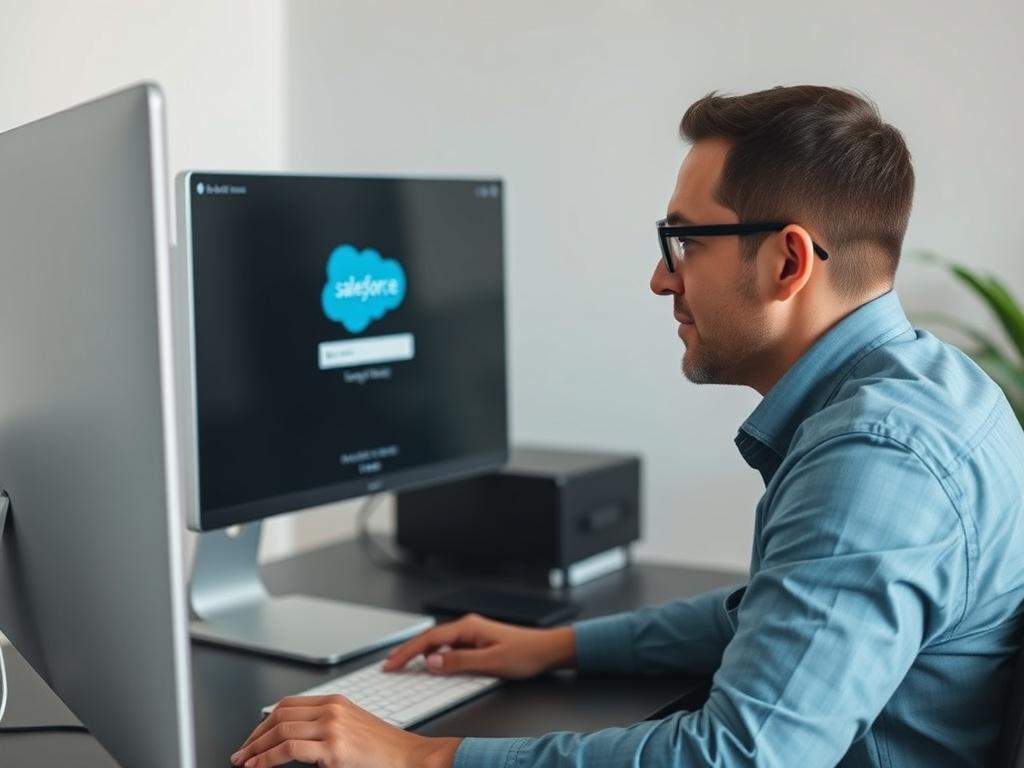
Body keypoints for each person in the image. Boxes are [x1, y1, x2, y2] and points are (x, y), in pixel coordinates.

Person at [229, 85, 1024, 768]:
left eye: (683, 241)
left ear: (788, 264)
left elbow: (738, 756)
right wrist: (557, 647)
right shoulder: (938, 386)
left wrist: (421, 754)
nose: (659, 278)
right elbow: (779, 615)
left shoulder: (875, 460)